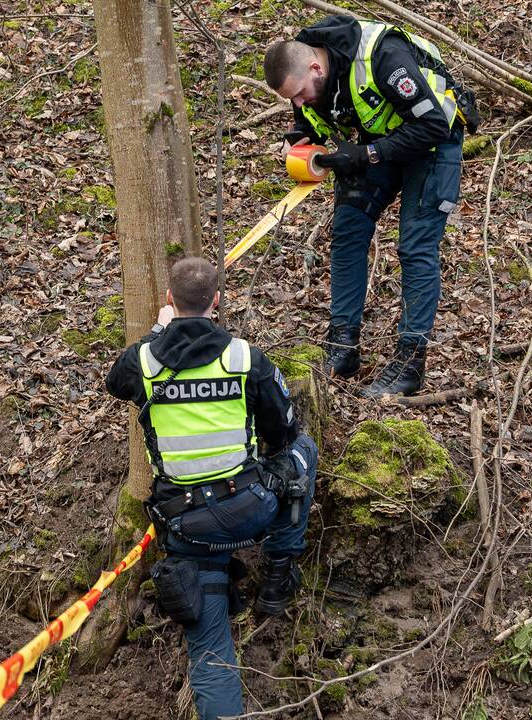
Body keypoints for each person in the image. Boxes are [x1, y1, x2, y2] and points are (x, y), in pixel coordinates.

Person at [106, 257, 318, 720]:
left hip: (187, 528)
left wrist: (158, 334)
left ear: (168, 301)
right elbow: (283, 434)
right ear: (217, 302)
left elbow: (114, 382)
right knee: (303, 451)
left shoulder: (142, 361)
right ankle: (278, 576)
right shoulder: (245, 358)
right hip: (251, 507)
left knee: (210, 653)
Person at [264, 15, 473, 397]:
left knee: (415, 245)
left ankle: (410, 360)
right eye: (290, 99)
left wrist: (366, 155)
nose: (297, 102)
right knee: (347, 231)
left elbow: (432, 127)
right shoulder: (309, 77)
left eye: (299, 93)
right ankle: (343, 344)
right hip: (383, 142)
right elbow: (310, 123)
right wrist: (298, 141)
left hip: (433, 141)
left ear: (315, 66)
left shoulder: (382, 57)